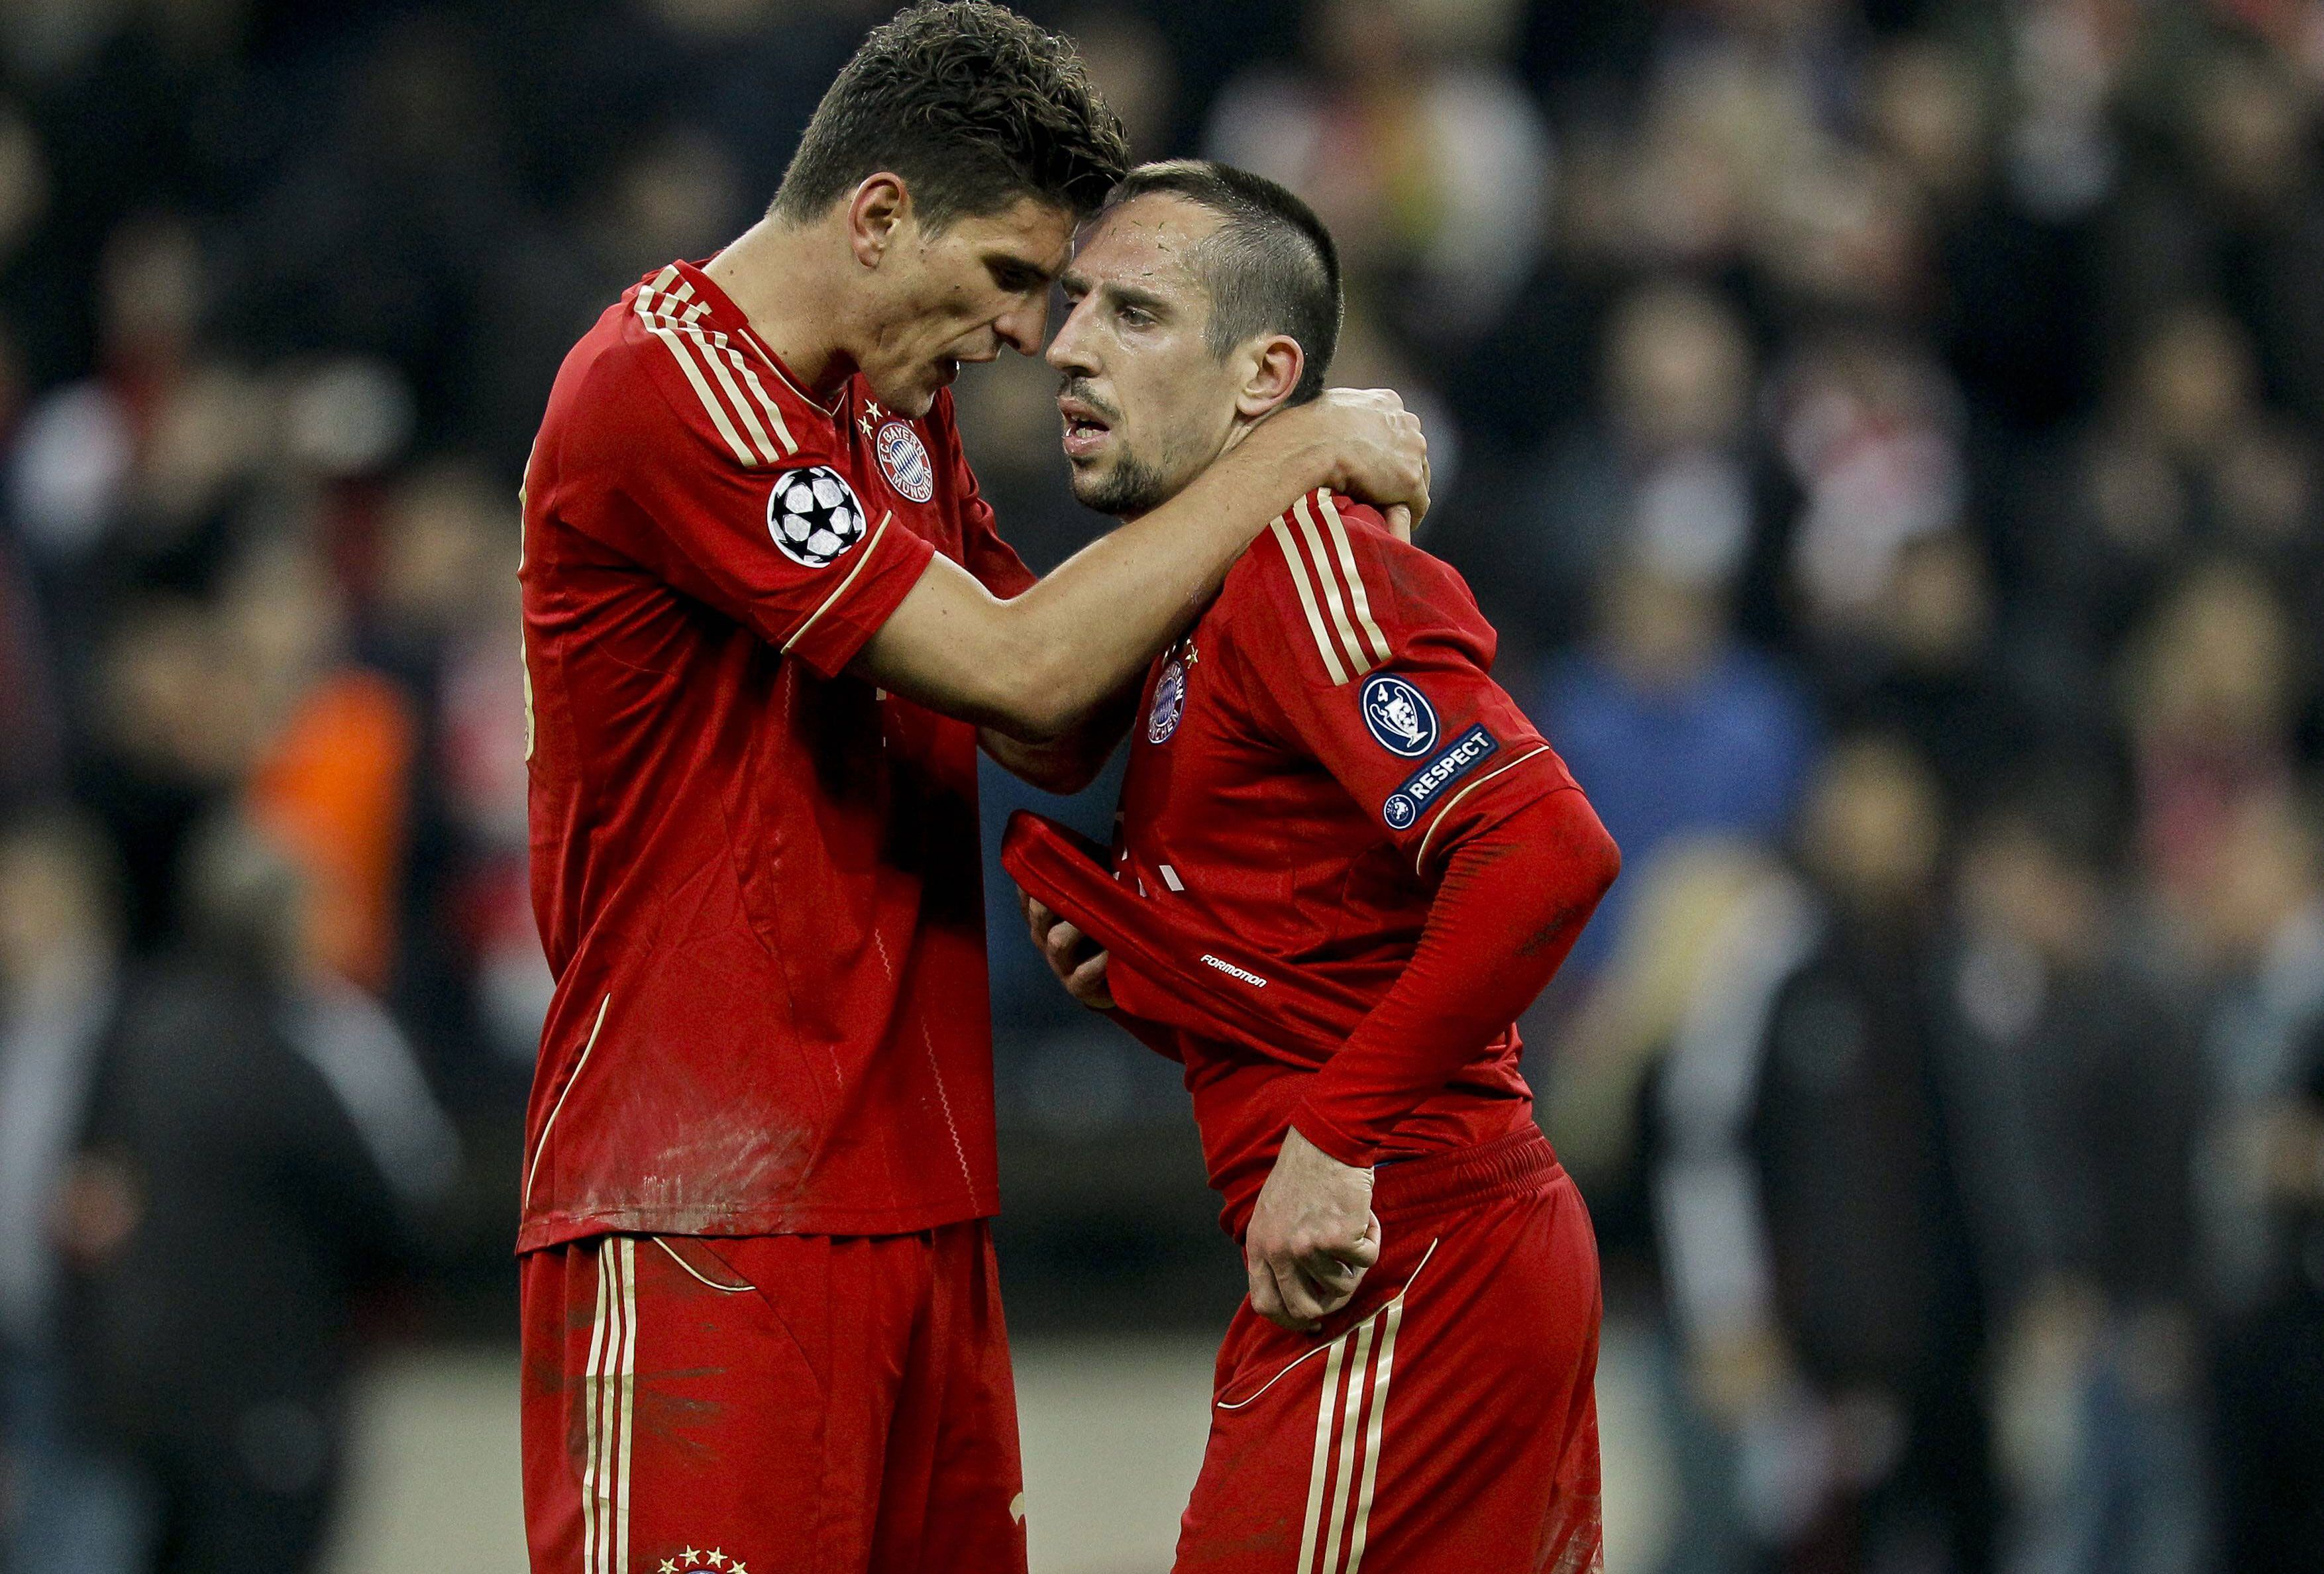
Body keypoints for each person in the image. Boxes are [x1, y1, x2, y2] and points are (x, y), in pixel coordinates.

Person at [513, 7, 1430, 1574]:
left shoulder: (888, 406)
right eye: (1010, 277)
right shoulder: (663, 388)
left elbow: (1049, 729)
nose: (1023, 334)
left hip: (915, 1185)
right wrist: (1275, 462)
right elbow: (1018, 666)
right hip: (697, 1201)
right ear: (877, 216)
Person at [1010, 159, 1617, 1572]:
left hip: (1408, 1253)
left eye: (1137, 315)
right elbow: (1340, 931)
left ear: (1262, 376)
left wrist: (1334, 1140)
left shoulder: (1298, 558)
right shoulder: (1195, 593)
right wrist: (1167, 977)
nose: (1069, 345)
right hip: (1419, 1249)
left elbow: (1542, 850)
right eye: (1074, 304)